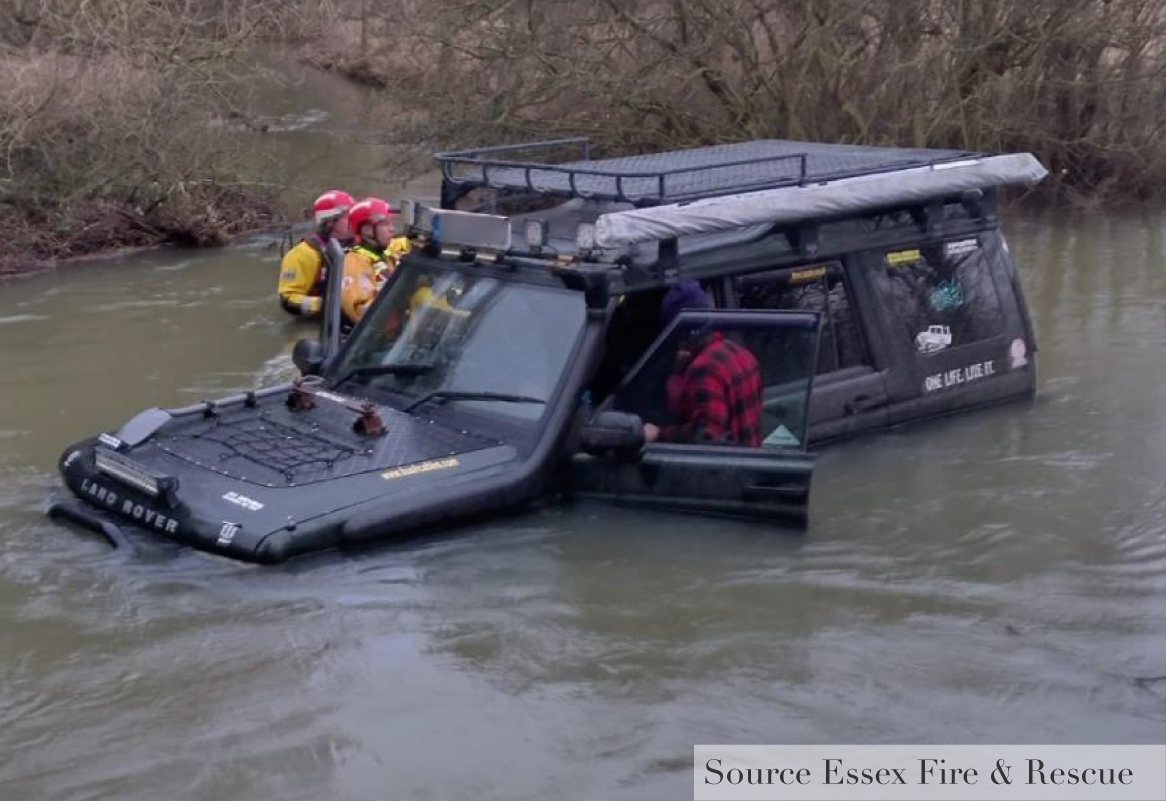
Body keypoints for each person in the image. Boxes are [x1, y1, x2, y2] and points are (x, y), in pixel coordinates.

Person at [644, 280, 763, 447]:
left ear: (679, 331)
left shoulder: (703, 368)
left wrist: (660, 433)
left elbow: (706, 435)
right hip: (753, 462)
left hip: (727, 469)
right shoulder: (742, 354)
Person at [278, 189, 354, 317]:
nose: (356, 221)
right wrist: (329, 305)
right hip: (322, 321)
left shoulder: (360, 245)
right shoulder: (303, 254)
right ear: (330, 221)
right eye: (350, 217)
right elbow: (289, 299)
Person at [340, 198, 411, 326]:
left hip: (400, 335)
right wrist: (401, 293)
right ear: (367, 230)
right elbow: (361, 312)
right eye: (385, 224)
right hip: (377, 340)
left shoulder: (387, 256)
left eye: (391, 223)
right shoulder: (355, 261)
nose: (392, 229)